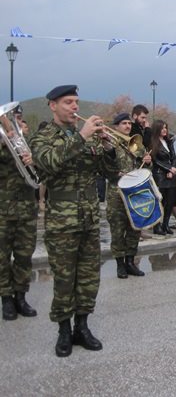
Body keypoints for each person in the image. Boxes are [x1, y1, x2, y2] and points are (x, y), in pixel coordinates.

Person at [31, 85, 119, 357]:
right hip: (62, 221)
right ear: (52, 105)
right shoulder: (43, 136)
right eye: (68, 102)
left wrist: (107, 147)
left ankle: (82, 326)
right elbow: (48, 164)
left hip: (90, 218)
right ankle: (64, 331)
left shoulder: (90, 138)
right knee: (64, 279)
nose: (74, 107)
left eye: (76, 102)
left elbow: (112, 175)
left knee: (89, 278)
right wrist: (81, 137)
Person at [0, 104, 38, 321]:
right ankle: (6, 298)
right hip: (3, 210)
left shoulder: (27, 143)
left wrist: (31, 157)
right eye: (11, 119)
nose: (16, 123)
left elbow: (38, 170)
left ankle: (21, 296)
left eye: (18, 119)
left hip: (26, 209)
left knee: (24, 255)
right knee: (2, 257)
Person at [105, 113, 152, 279]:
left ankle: (131, 262)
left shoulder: (136, 143)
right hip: (116, 193)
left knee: (135, 228)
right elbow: (106, 164)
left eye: (129, 123)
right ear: (116, 126)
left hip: (135, 192)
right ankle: (120, 265)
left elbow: (146, 165)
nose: (127, 126)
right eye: (123, 123)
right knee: (117, 230)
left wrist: (147, 160)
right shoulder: (109, 143)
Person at [151, 120, 176, 235]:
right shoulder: (153, 142)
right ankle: (156, 227)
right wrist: (168, 169)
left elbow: (174, 157)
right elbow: (155, 160)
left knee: (170, 201)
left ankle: (165, 225)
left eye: (166, 128)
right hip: (159, 175)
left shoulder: (168, 141)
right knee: (159, 201)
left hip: (171, 175)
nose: (164, 130)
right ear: (157, 129)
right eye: (162, 128)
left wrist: (173, 169)